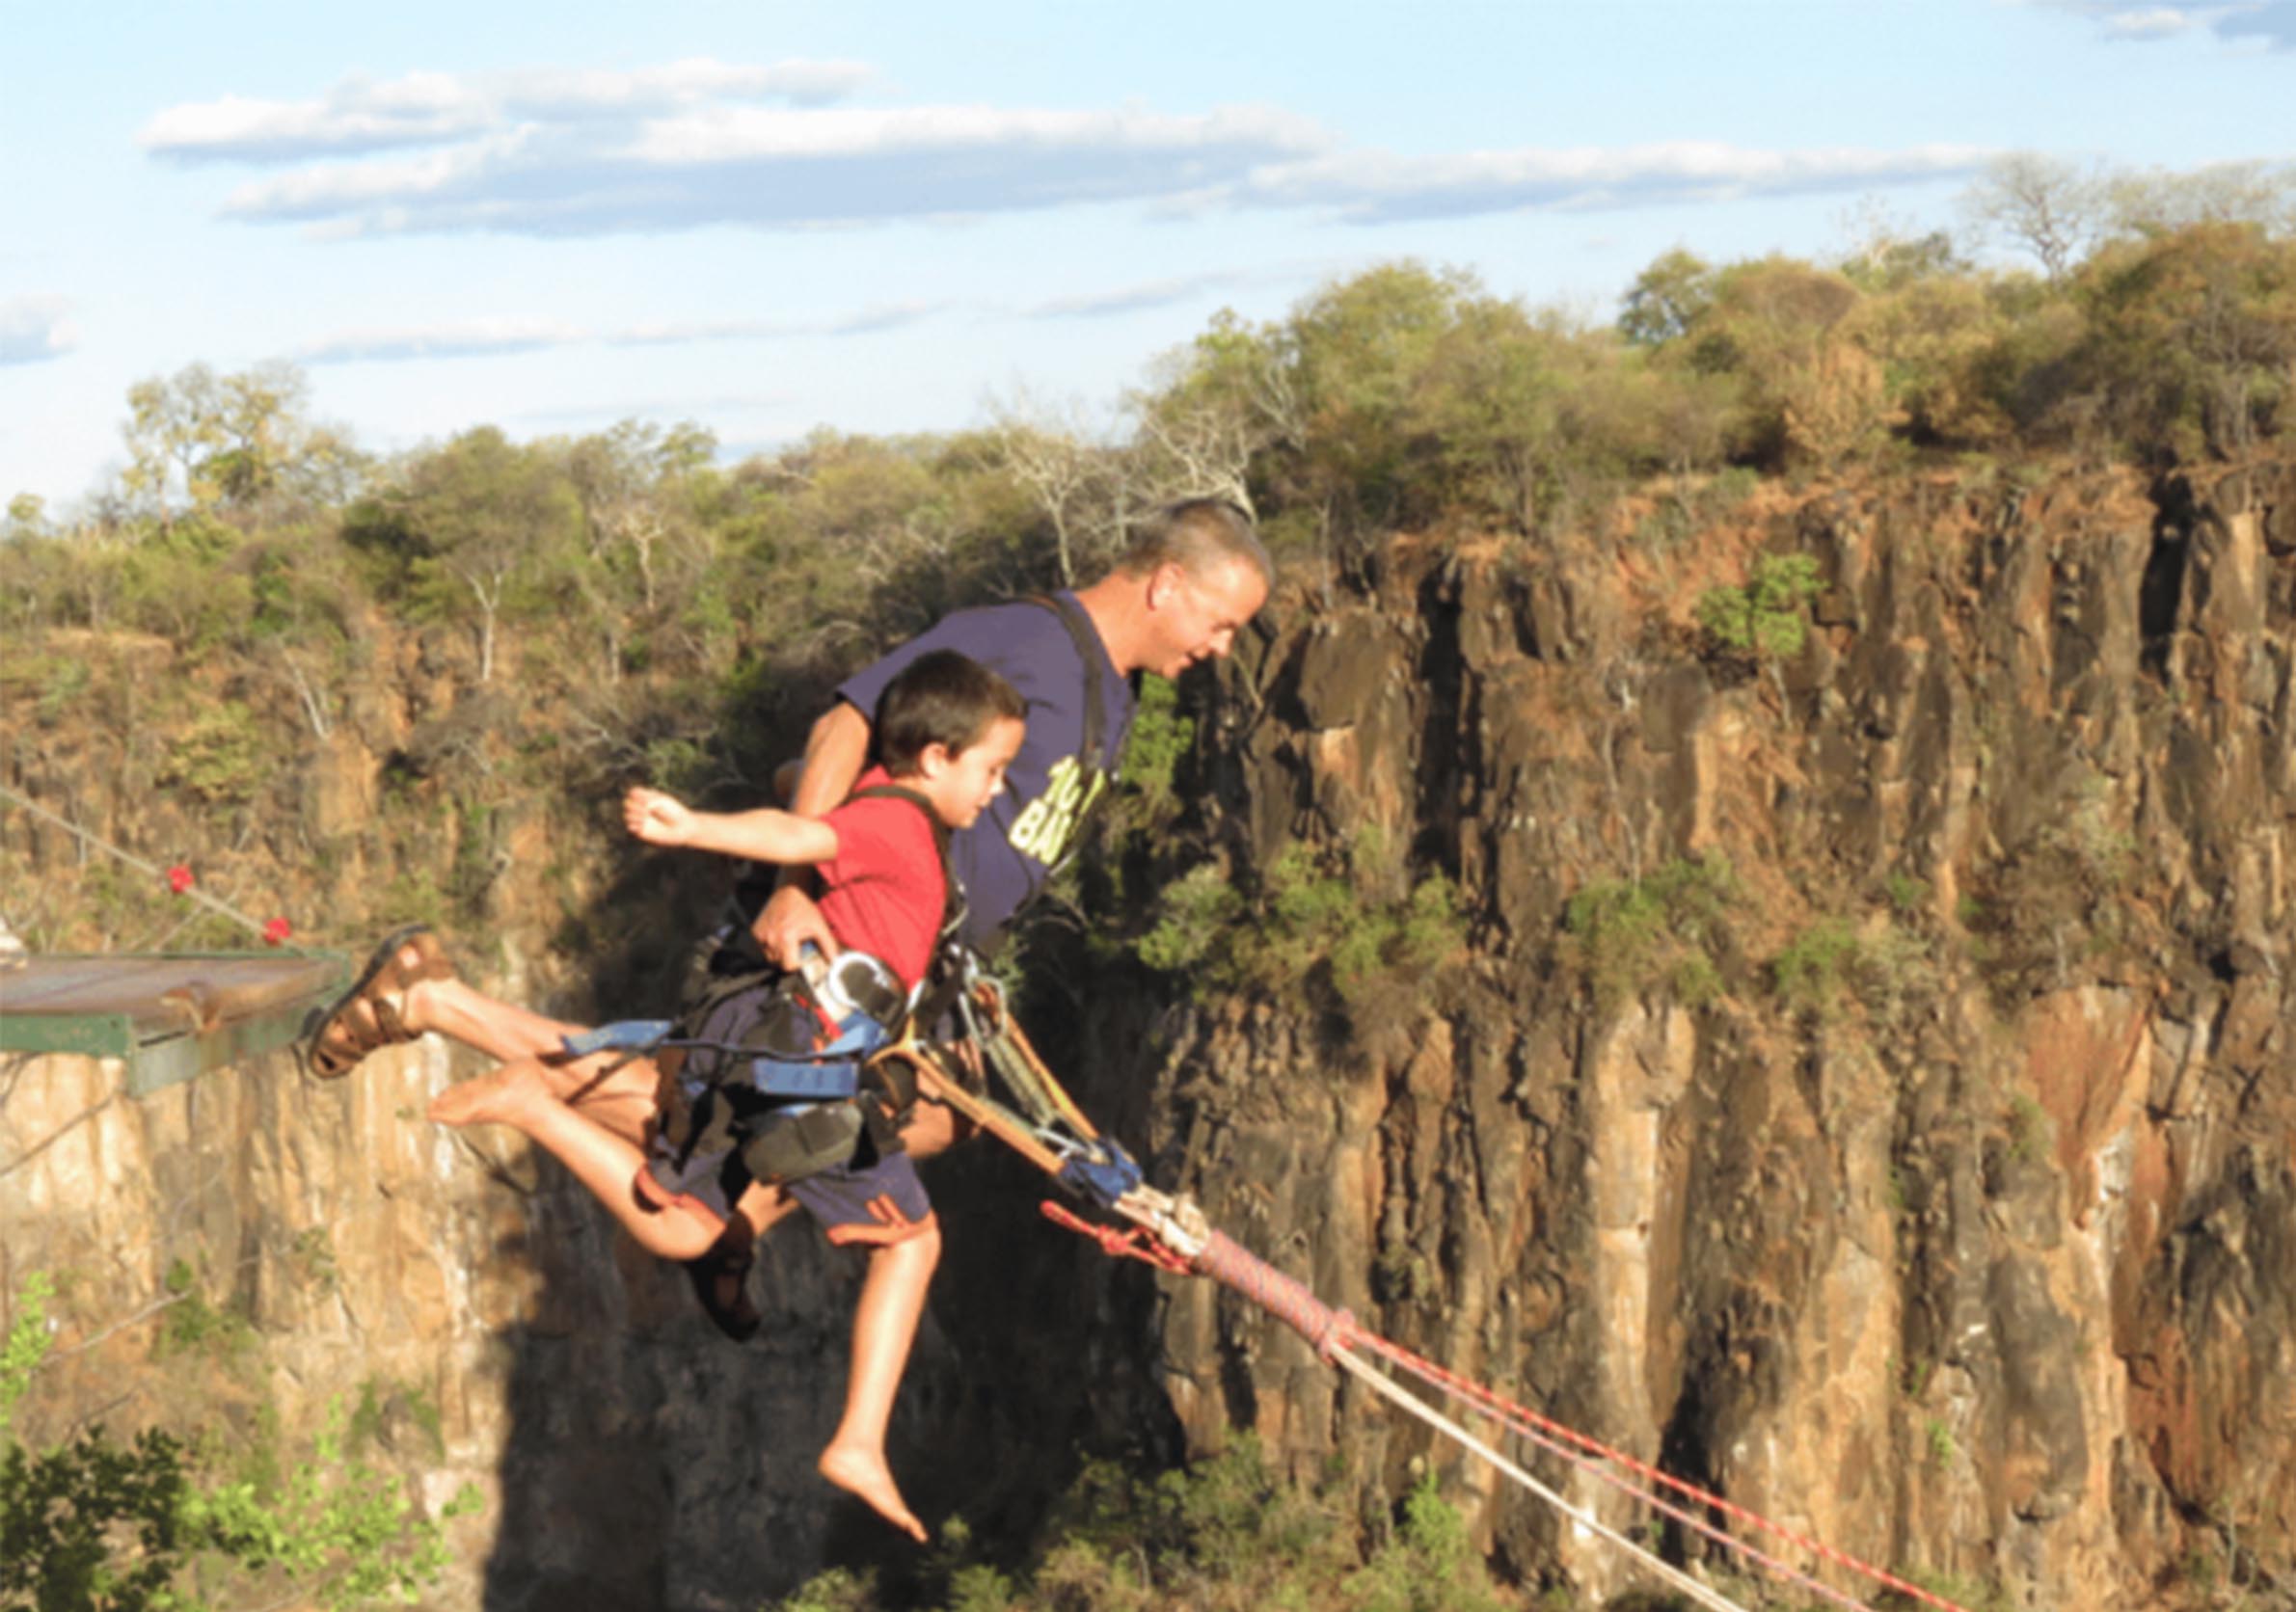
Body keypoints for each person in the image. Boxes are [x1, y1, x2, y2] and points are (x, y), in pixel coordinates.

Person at [305, 499, 1270, 1328]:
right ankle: (439, 1006)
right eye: (1220, 622)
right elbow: (845, 722)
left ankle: (724, 1206)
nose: (1219, 647)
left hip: (913, 954)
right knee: (716, 1107)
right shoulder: (1026, 640)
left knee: (936, 1117)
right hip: (845, 926)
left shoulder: (1115, 688)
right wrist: (796, 885)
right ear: (1167, 584)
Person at [328, 650, 1026, 1543]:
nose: (997, 791)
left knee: (689, 1228)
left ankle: (511, 1079)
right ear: (933, 757)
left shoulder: (890, 805)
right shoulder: (895, 823)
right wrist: (692, 826)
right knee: (912, 1242)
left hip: (766, 1050)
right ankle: (858, 1440)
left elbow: (805, 799)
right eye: (992, 770)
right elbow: (800, 837)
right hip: (800, 1079)